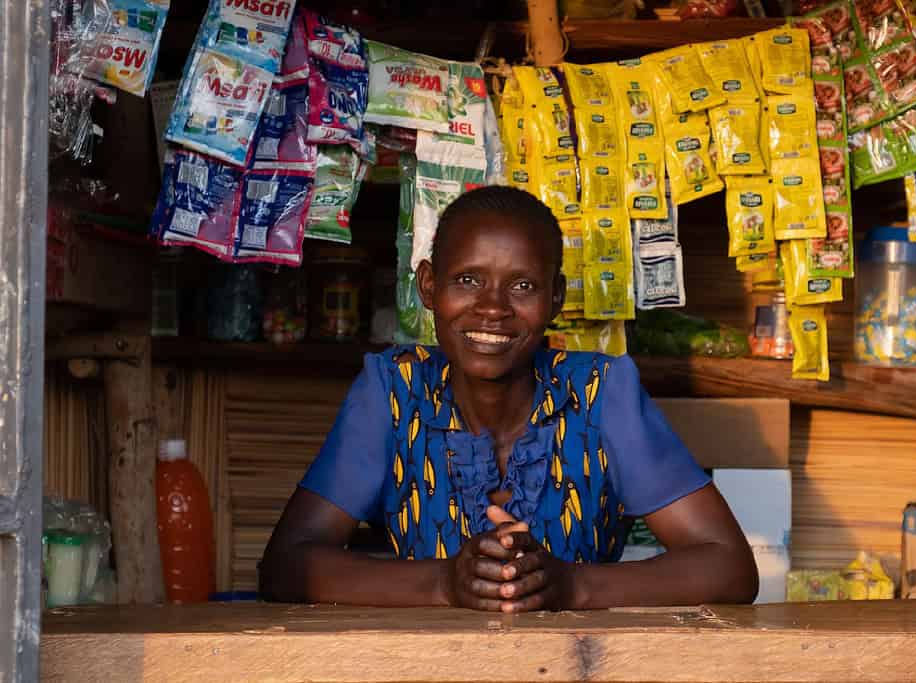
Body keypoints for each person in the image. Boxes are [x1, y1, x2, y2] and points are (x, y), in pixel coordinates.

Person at [260, 186, 757, 612]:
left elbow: (730, 567)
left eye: (522, 285)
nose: (492, 308)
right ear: (429, 287)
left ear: (555, 298)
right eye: (468, 280)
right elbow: (285, 566)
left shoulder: (602, 393)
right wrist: (443, 583)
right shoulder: (393, 391)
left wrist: (573, 585)